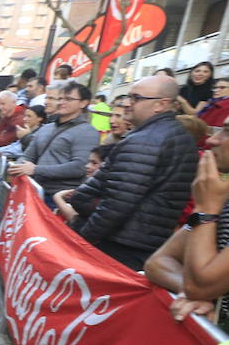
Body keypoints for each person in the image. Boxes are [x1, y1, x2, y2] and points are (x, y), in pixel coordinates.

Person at [63, 74, 198, 271]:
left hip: (118, 245)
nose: (127, 103)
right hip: (136, 242)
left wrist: (84, 240)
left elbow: (118, 203)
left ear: (161, 104)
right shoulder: (173, 136)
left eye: (136, 98)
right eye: (129, 96)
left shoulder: (146, 140)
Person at [145, 123, 229, 324]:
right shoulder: (222, 199)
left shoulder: (211, 203)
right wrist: (189, 292)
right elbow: (157, 261)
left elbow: (200, 286)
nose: (212, 140)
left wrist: (206, 208)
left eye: (228, 132)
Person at [8, 82, 102, 200]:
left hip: (58, 198)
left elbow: (80, 167)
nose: (62, 102)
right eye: (60, 98)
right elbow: (28, 156)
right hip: (32, 192)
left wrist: (36, 170)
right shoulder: (46, 128)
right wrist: (18, 167)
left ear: (83, 103)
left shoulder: (88, 132)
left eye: (68, 99)